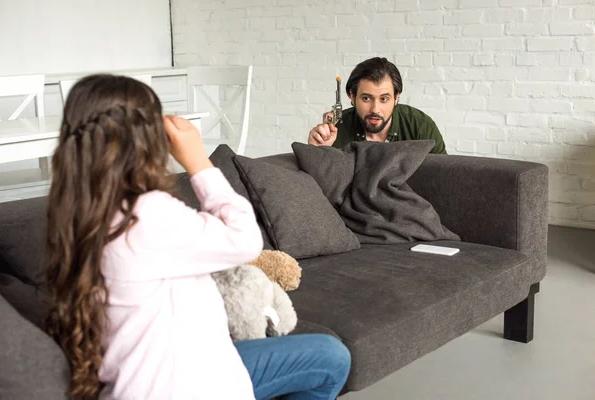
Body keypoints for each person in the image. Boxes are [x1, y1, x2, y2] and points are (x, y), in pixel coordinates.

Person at [45, 74, 350, 400]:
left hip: (142, 381)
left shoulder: (75, 213)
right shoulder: (145, 214)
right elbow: (245, 240)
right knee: (331, 359)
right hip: (186, 387)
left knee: (328, 354)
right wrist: (197, 160)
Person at [308, 57, 447, 154]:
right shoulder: (336, 129)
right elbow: (319, 187)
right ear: (352, 96)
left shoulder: (421, 127)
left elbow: (442, 177)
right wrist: (318, 152)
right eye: (366, 98)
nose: (375, 109)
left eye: (384, 99)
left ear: (396, 98)